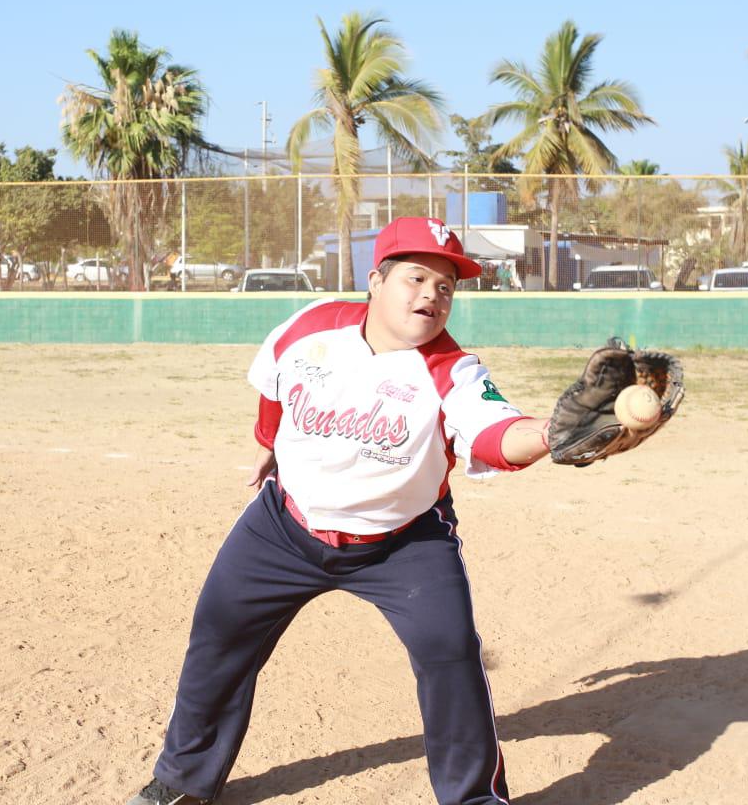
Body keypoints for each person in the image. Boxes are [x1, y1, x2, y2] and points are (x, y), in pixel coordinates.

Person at [126, 217, 560, 805]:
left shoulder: (453, 370)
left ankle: (474, 800)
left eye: (446, 287)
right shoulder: (310, 327)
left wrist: (552, 433)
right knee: (219, 635)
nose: (432, 295)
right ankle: (184, 783)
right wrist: (266, 444)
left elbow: (497, 434)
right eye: (416, 278)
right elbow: (274, 390)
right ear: (376, 282)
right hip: (284, 526)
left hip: (402, 542)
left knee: (450, 655)